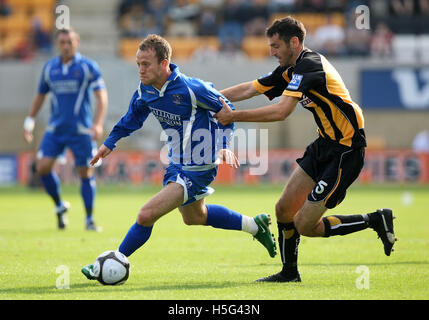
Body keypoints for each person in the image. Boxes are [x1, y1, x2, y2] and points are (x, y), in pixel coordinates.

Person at [214, 16, 397, 282]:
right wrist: (205, 96)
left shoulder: (309, 66)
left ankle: (374, 220)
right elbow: (250, 88)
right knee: (283, 210)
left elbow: (281, 112)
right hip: (324, 145)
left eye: (276, 46)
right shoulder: (289, 70)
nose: (271, 52)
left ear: (294, 42)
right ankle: (289, 273)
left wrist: (233, 117)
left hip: (346, 150)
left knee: (305, 225)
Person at [81, 34, 276, 280]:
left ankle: (110, 262)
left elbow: (228, 111)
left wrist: (223, 145)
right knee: (195, 217)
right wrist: (109, 143)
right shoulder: (146, 90)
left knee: (146, 214)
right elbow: (132, 118)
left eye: (146, 64)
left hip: (199, 166)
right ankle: (253, 225)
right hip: (177, 163)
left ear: (164, 64)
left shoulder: (192, 88)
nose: (140, 69)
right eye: (138, 63)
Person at [23, 28, 108, 231]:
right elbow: (40, 95)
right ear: (57, 44)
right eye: (62, 42)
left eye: (70, 41)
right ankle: (60, 206)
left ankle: (89, 219)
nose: (66, 45)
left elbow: (101, 97)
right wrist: (29, 121)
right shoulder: (49, 68)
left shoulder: (88, 67)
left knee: (84, 173)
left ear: (77, 43)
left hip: (81, 130)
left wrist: (97, 123)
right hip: (56, 129)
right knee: (42, 167)